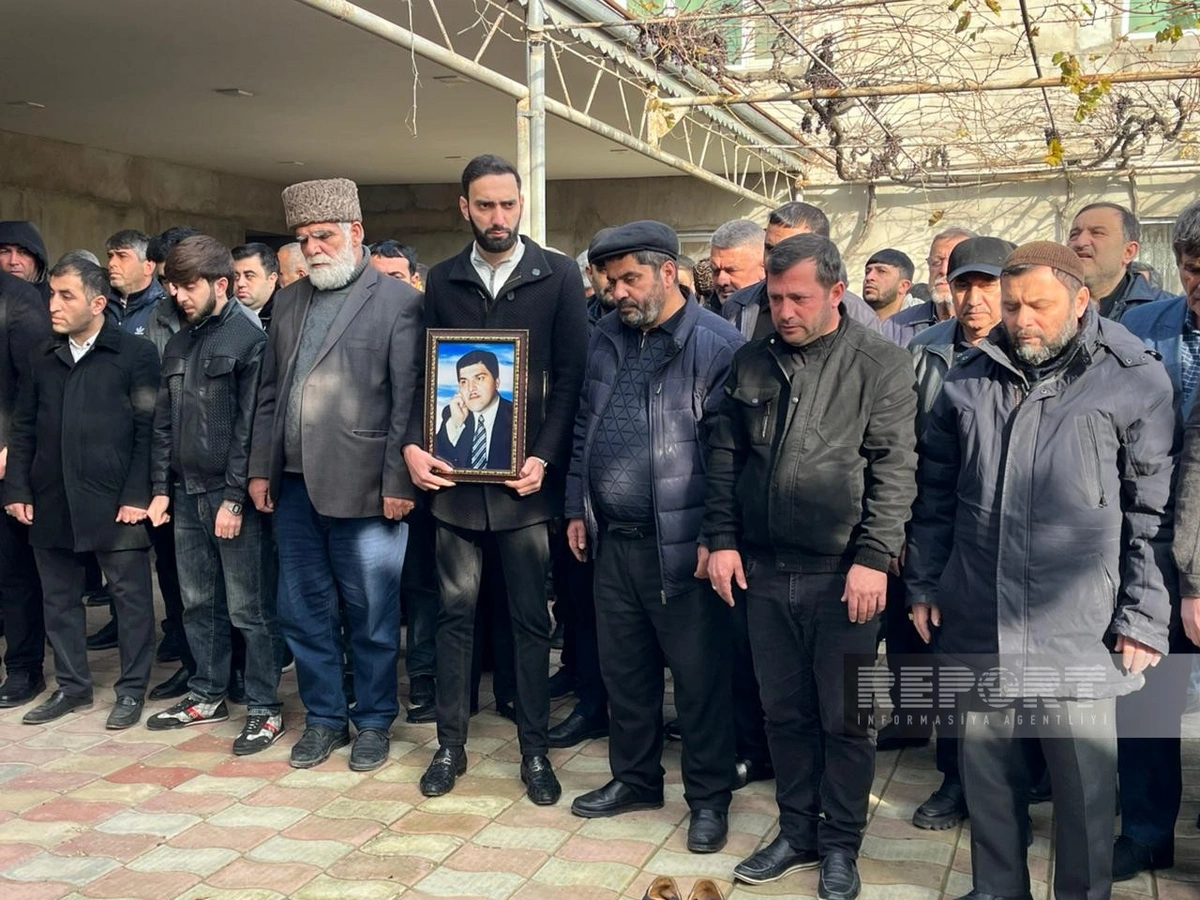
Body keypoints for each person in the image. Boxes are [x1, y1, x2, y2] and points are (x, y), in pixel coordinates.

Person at [906, 241, 1174, 900]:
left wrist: (1143, 614)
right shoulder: (969, 376)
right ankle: (998, 890)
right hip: (978, 613)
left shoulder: (1131, 376)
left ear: (1081, 300)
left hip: (1077, 623)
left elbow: (1152, 511)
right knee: (989, 785)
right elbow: (934, 493)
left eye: (1039, 305)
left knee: (1083, 793)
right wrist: (925, 581)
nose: (1023, 319)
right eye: (1012, 304)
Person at [704, 234, 918, 896]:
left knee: (847, 719)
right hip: (766, 571)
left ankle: (840, 845)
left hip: (845, 576)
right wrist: (721, 538)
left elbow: (895, 468)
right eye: (775, 298)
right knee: (784, 714)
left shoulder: (880, 364)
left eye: (798, 298)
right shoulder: (751, 361)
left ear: (836, 292)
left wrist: (875, 558)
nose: (785, 311)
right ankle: (797, 832)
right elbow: (723, 457)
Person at [403, 154, 587, 807]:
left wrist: (544, 455)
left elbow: (571, 377)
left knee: (530, 622)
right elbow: (425, 375)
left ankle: (534, 751)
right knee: (453, 616)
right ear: (465, 208)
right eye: (485, 205)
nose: (498, 216)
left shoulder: (558, 275)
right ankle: (449, 745)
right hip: (454, 487)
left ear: (520, 204)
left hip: (525, 490)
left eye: (508, 203)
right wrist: (412, 443)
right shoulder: (443, 279)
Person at [565, 221, 743, 854]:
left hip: (685, 547)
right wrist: (577, 506)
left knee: (699, 682)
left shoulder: (717, 345)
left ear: (669, 272)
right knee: (626, 673)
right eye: (609, 281)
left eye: (629, 279)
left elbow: (728, 456)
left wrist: (717, 535)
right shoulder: (605, 338)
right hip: (614, 542)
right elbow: (584, 426)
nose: (617, 293)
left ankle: (709, 800)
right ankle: (636, 779)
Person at [248, 177, 423, 771]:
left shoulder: (397, 302)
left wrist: (399, 483)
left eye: (323, 236)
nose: (313, 249)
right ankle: (325, 719)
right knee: (302, 610)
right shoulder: (289, 301)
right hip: (294, 487)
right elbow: (269, 394)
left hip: (367, 487)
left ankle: (373, 720)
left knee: (371, 613)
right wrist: (260, 470)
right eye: (303, 239)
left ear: (355, 232)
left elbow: (407, 402)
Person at [880, 236, 1014, 833]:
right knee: (948, 657)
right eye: (964, 285)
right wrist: (900, 528)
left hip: (1014, 533)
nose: (974, 299)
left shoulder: (1032, 350)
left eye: (987, 285)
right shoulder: (926, 349)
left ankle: (1023, 780)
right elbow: (901, 445)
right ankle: (955, 778)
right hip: (942, 524)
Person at [6, 257, 160, 730]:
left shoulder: (134, 354)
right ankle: (72, 686)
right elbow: (24, 426)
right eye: (52, 294)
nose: (53, 304)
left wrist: (137, 495)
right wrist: (17, 487)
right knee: (58, 600)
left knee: (131, 600)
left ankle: (131, 690)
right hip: (51, 495)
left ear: (97, 303)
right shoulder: (43, 354)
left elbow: (148, 431)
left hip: (115, 500)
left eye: (65, 295)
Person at [144, 236, 282, 754]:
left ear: (220, 284)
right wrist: (160, 488)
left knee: (250, 609)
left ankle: (265, 708)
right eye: (172, 286)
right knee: (198, 604)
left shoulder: (249, 339)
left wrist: (235, 498)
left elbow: (252, 427)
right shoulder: (180, 341)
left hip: (229, 496)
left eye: (188, 287)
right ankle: (207, 695)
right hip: (185, 494)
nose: (178, 296)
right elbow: (163, 422)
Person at [1112, 201, 1200, 879]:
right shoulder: (1139, 330)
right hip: (1147, 542)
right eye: (1194, 269)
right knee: (1146, 692)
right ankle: (1145, 830)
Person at [0, 268, 52, 708]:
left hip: (5, 460)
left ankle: (23, 668)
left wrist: (11, 447)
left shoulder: (17, 302)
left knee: (13, 572)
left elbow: (34, 388)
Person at [722, 201, 881, 341]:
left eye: (789, 251)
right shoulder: (738, 305)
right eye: (769, 248)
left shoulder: (861, 317)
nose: (774, 259)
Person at [1068, 202, 1175, 320]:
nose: (1080, 242)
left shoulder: (1169, 313)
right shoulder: (1055, 306)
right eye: (1074, 234)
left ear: (1128, 252)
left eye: (1097, 233)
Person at [882, 228, 973, 347]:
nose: (943, 270)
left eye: (953, 261)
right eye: (936, 262)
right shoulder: (896, 326)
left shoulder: (989, 326)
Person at [433, 349, 514, 471]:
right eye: (464, 382)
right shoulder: (453, 413)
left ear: (497, 382)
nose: (471, 388)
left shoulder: (515, 414)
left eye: (479, 378)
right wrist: (455, 424)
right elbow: (436, 460)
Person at [708, 219, 765, 307]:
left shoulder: (781, 312)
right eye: (715, 270)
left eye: (731, 270)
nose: (721, 281)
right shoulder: (701, 314)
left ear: (763, 268)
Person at [232, 243, 279, 330]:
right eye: (236, 277)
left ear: (272, 279)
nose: (240, 283)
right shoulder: (221, 315)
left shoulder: (287, 317)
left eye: (249, 276)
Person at [0, 221, 49, 301]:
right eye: (4, 252)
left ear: (37, 261)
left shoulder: (55, 300)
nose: (13, 261)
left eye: (23, 253)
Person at [861, 249, 914, 320]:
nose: (869, 277)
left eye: (881, 271)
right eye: (867, 272)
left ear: (903, 286)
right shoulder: (851, 316)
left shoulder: (922, 321)